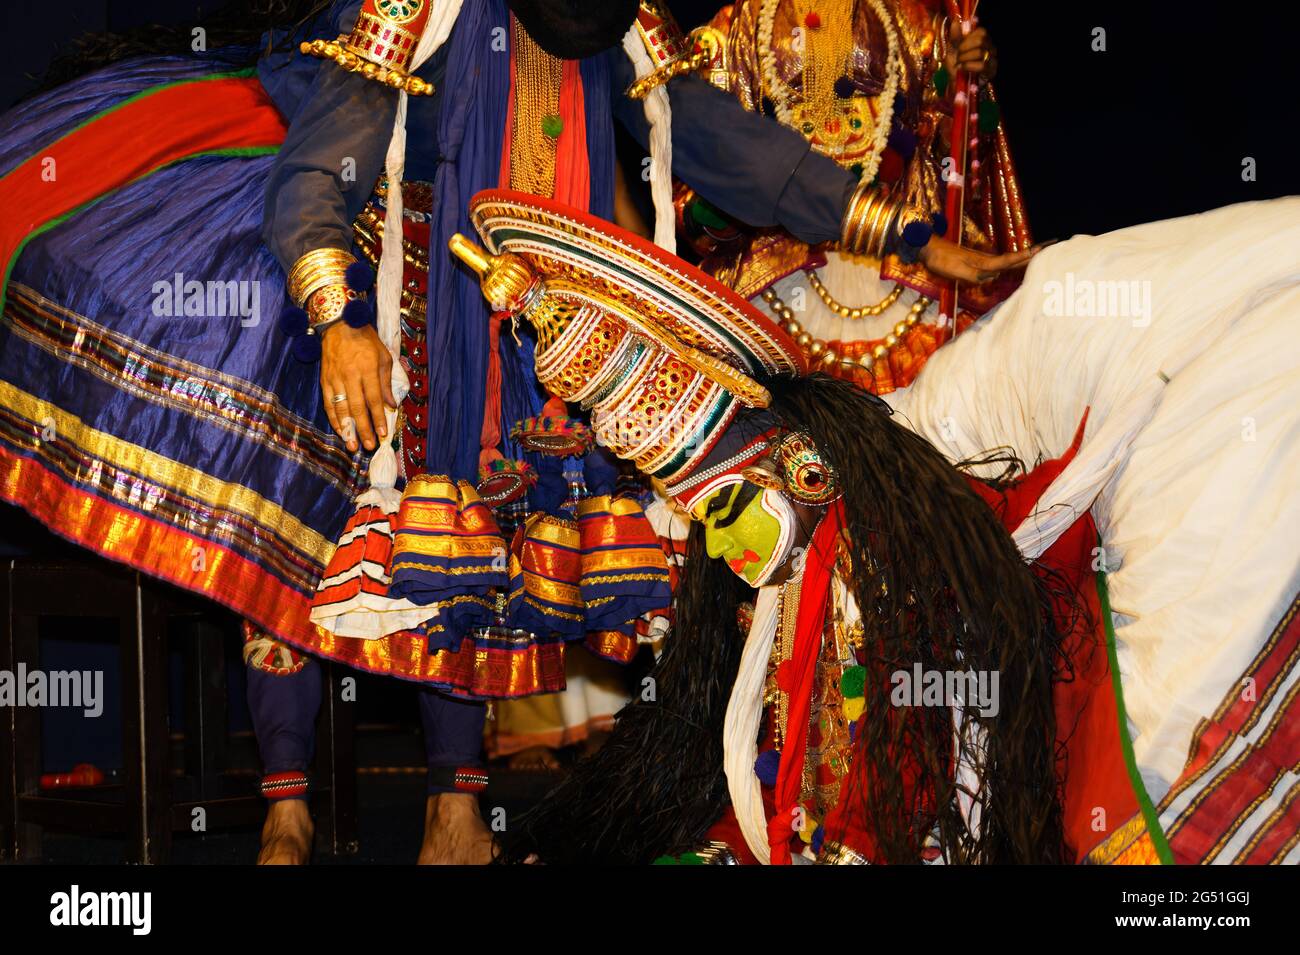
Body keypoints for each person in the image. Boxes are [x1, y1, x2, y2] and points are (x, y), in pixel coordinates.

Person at [0, 0, 1039, 864]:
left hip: (503, 307)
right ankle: (285, 807)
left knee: (472, 549)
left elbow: (743, 156)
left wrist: (907, 235)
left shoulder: (614, 27)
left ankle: (457, 808)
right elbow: (320, 170)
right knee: (301, 524)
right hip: (363, 285)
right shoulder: (412, 10)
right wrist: (336, 319)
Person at [447, 188, 1300, 863]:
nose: (736, 553)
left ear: (802, 469)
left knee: (1158, 748)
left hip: (1233, 380)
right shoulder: (875, 506)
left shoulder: (976, 437)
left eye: (730, 513)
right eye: (714, 526)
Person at [682, 0, 1030, 395]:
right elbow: (692, 194)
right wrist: (723, 208)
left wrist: (960, 94)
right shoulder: (729, 34)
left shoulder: (915, 23)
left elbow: (959, 171)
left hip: (908, 264)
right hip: (774, 280)